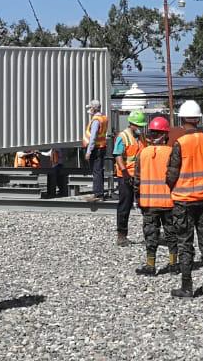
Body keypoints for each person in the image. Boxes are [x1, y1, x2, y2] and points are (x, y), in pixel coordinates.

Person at [165, 99, 203, 298]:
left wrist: (172, 187)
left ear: (182, 121)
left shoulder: (180, 143)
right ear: (198, 119)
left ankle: (187, 287)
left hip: (184, 201)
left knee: (185, 243)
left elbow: (172, 173)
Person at [131, 115, 177, 276]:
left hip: (149, 203)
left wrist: (137, 198)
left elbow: (137, 180)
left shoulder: (142, 154)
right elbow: (177, 177)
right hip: (169, 203)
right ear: (166, 135)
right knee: (172, 233)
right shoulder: (172, 152)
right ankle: (173, 265)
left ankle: (150, 266)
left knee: (151, 233)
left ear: (150, 134)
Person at [112, 110, 147, 246]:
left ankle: (148, 235)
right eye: (138, 125)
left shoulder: (141, 137)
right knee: (124, 206)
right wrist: (125, 172)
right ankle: (121, 235)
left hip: (140, 176)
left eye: (141, 126)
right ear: (131, 124)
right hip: (126, 177)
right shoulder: (123, 136)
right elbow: (118, 155)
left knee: (145, 206)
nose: (140, 128)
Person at [81, 99, 108, 199]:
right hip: (101, 147)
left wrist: (89, 151)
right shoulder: (103, 118)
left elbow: (93, 137)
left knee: (96, 171)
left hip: (96, 149)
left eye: (91, 107)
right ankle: (99, 192)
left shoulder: (96, 120)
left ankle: (98, 193)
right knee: (99, 170)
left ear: (94, 108)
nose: (90, 109)